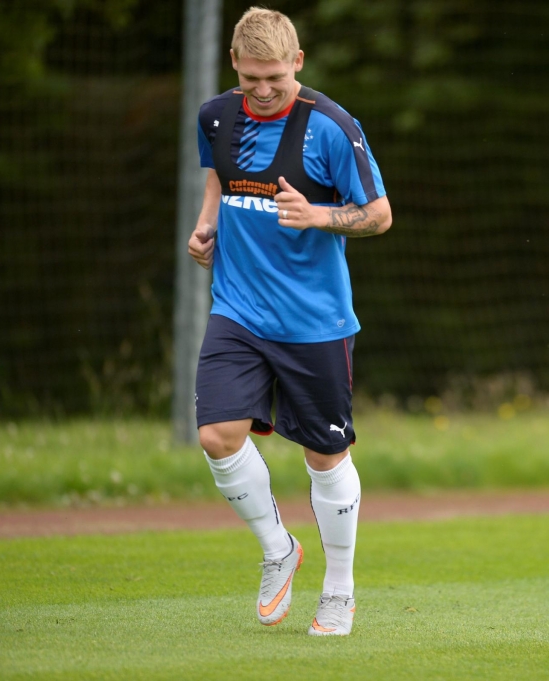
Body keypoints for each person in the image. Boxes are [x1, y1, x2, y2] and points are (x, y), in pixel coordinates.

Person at [187, 7, 391, 637]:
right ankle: (278, 549)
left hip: (315, 323)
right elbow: (220, 180)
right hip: (238, 310)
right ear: (235, 68)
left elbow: (379, 214)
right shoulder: (216, 116)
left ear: (297, 63)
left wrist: (321, 217)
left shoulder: (331, 126)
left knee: (325, 457)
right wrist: (206, 227)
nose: (264, 88)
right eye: (252, 78)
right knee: (217, 436)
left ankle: (339, 590)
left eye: (275, 75)